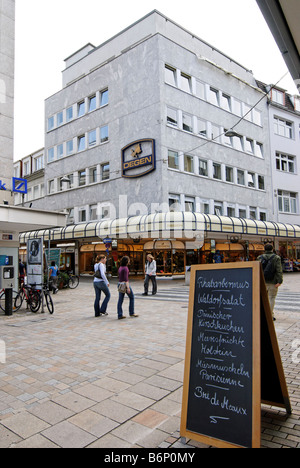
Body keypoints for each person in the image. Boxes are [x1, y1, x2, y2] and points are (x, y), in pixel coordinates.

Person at [258, 243, 283, 320]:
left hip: (262, 281)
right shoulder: (276, 258)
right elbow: (279, 270)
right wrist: (279, 281)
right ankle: (270, 315)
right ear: (272, 249)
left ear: (264, 249)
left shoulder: (259, 257)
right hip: (273, 281)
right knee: (271, 298)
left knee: (262, 298)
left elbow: (257, 270)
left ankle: (263, 315)